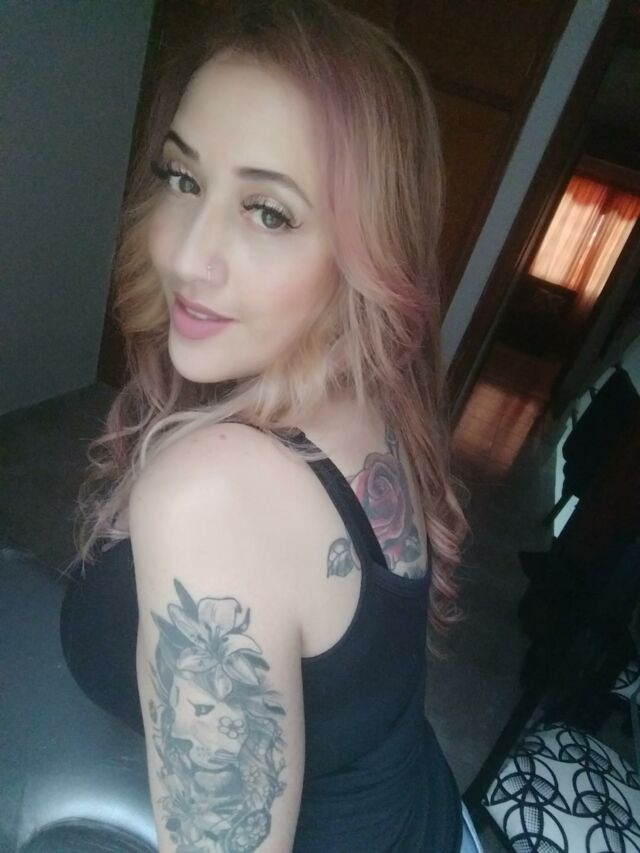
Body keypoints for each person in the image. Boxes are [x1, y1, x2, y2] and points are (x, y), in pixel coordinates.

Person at [60, 1, 481, 850]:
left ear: (368, 252)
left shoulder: (212, 495)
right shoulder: (371, 386)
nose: (186, 255)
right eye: (183, 178)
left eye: (269, 212)